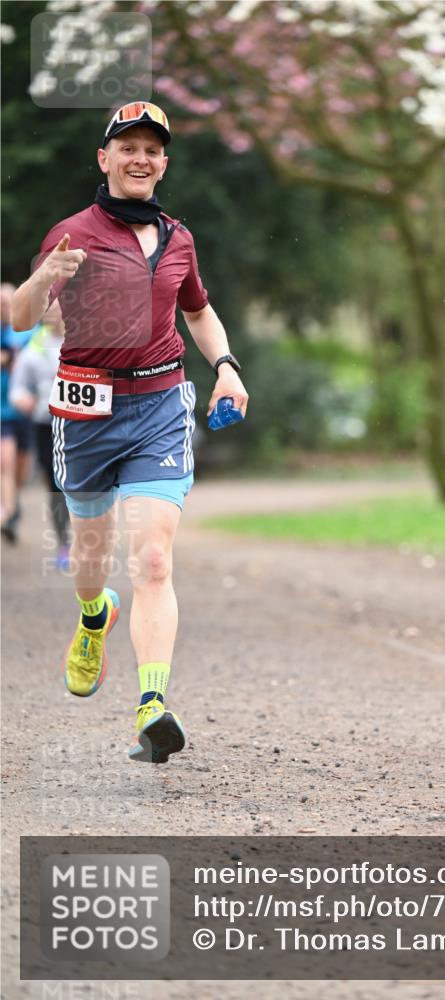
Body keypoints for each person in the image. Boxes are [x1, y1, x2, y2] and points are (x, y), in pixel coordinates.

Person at [11, 101, 248, 764]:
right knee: (91, 564)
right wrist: (44, 277)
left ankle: (152, 704)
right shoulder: (72, 232)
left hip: (159, 406)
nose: (140, 158)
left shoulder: (178, 238)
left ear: (163, 163)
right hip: (85, 413)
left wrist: (225, 367)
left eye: (152, 149)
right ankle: (93, 617)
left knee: (152, 559)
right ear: (104, 159)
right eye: (128, 147)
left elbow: (198, 313)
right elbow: (23, 317)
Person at [9, 301, 70, 569]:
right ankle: (64, 543)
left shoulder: (85, 340)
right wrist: (24, 400)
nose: (52, 313)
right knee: (56, 484)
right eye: (47, 308)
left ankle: (91, 540)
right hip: (46, 425)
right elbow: (17, 389)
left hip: (83, 424)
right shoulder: (33, 348)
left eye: (57, 307)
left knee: (85, 483)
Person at [1, 282, 35, 543]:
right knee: (6, 463)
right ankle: (9, 515)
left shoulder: (29, 332)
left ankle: (14, 503)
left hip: (25, 411)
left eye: (8, 302)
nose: (5, 307)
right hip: (2, 412)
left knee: (21, 470)